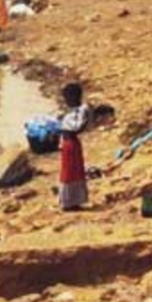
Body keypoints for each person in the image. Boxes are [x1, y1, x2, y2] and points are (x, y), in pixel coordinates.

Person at [59, 82, 91, 211]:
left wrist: (66, 125)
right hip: (68, 143)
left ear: (74, 97)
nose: (66, 101)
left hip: (71, 144)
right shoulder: (76, 110)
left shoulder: (81, 110)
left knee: (70, 172)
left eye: (67, 98)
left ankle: (70, 202)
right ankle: (72, 200)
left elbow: (78, 127)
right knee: (71, 171)